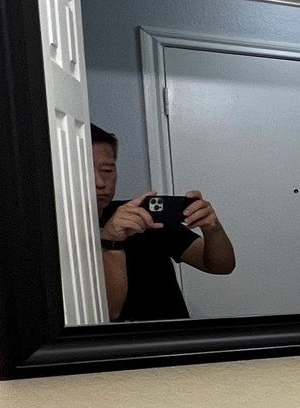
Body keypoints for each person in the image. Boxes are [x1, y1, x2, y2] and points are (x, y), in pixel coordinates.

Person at [93, 124, 236, 320]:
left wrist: (213, 228)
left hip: (176, 342)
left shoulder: (142, 215)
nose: (100, 182)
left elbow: (221, 266)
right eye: (86, 170)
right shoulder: (56, 233)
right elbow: (109, 313)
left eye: (108, 170)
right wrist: (111, 242)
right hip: (120, 347)